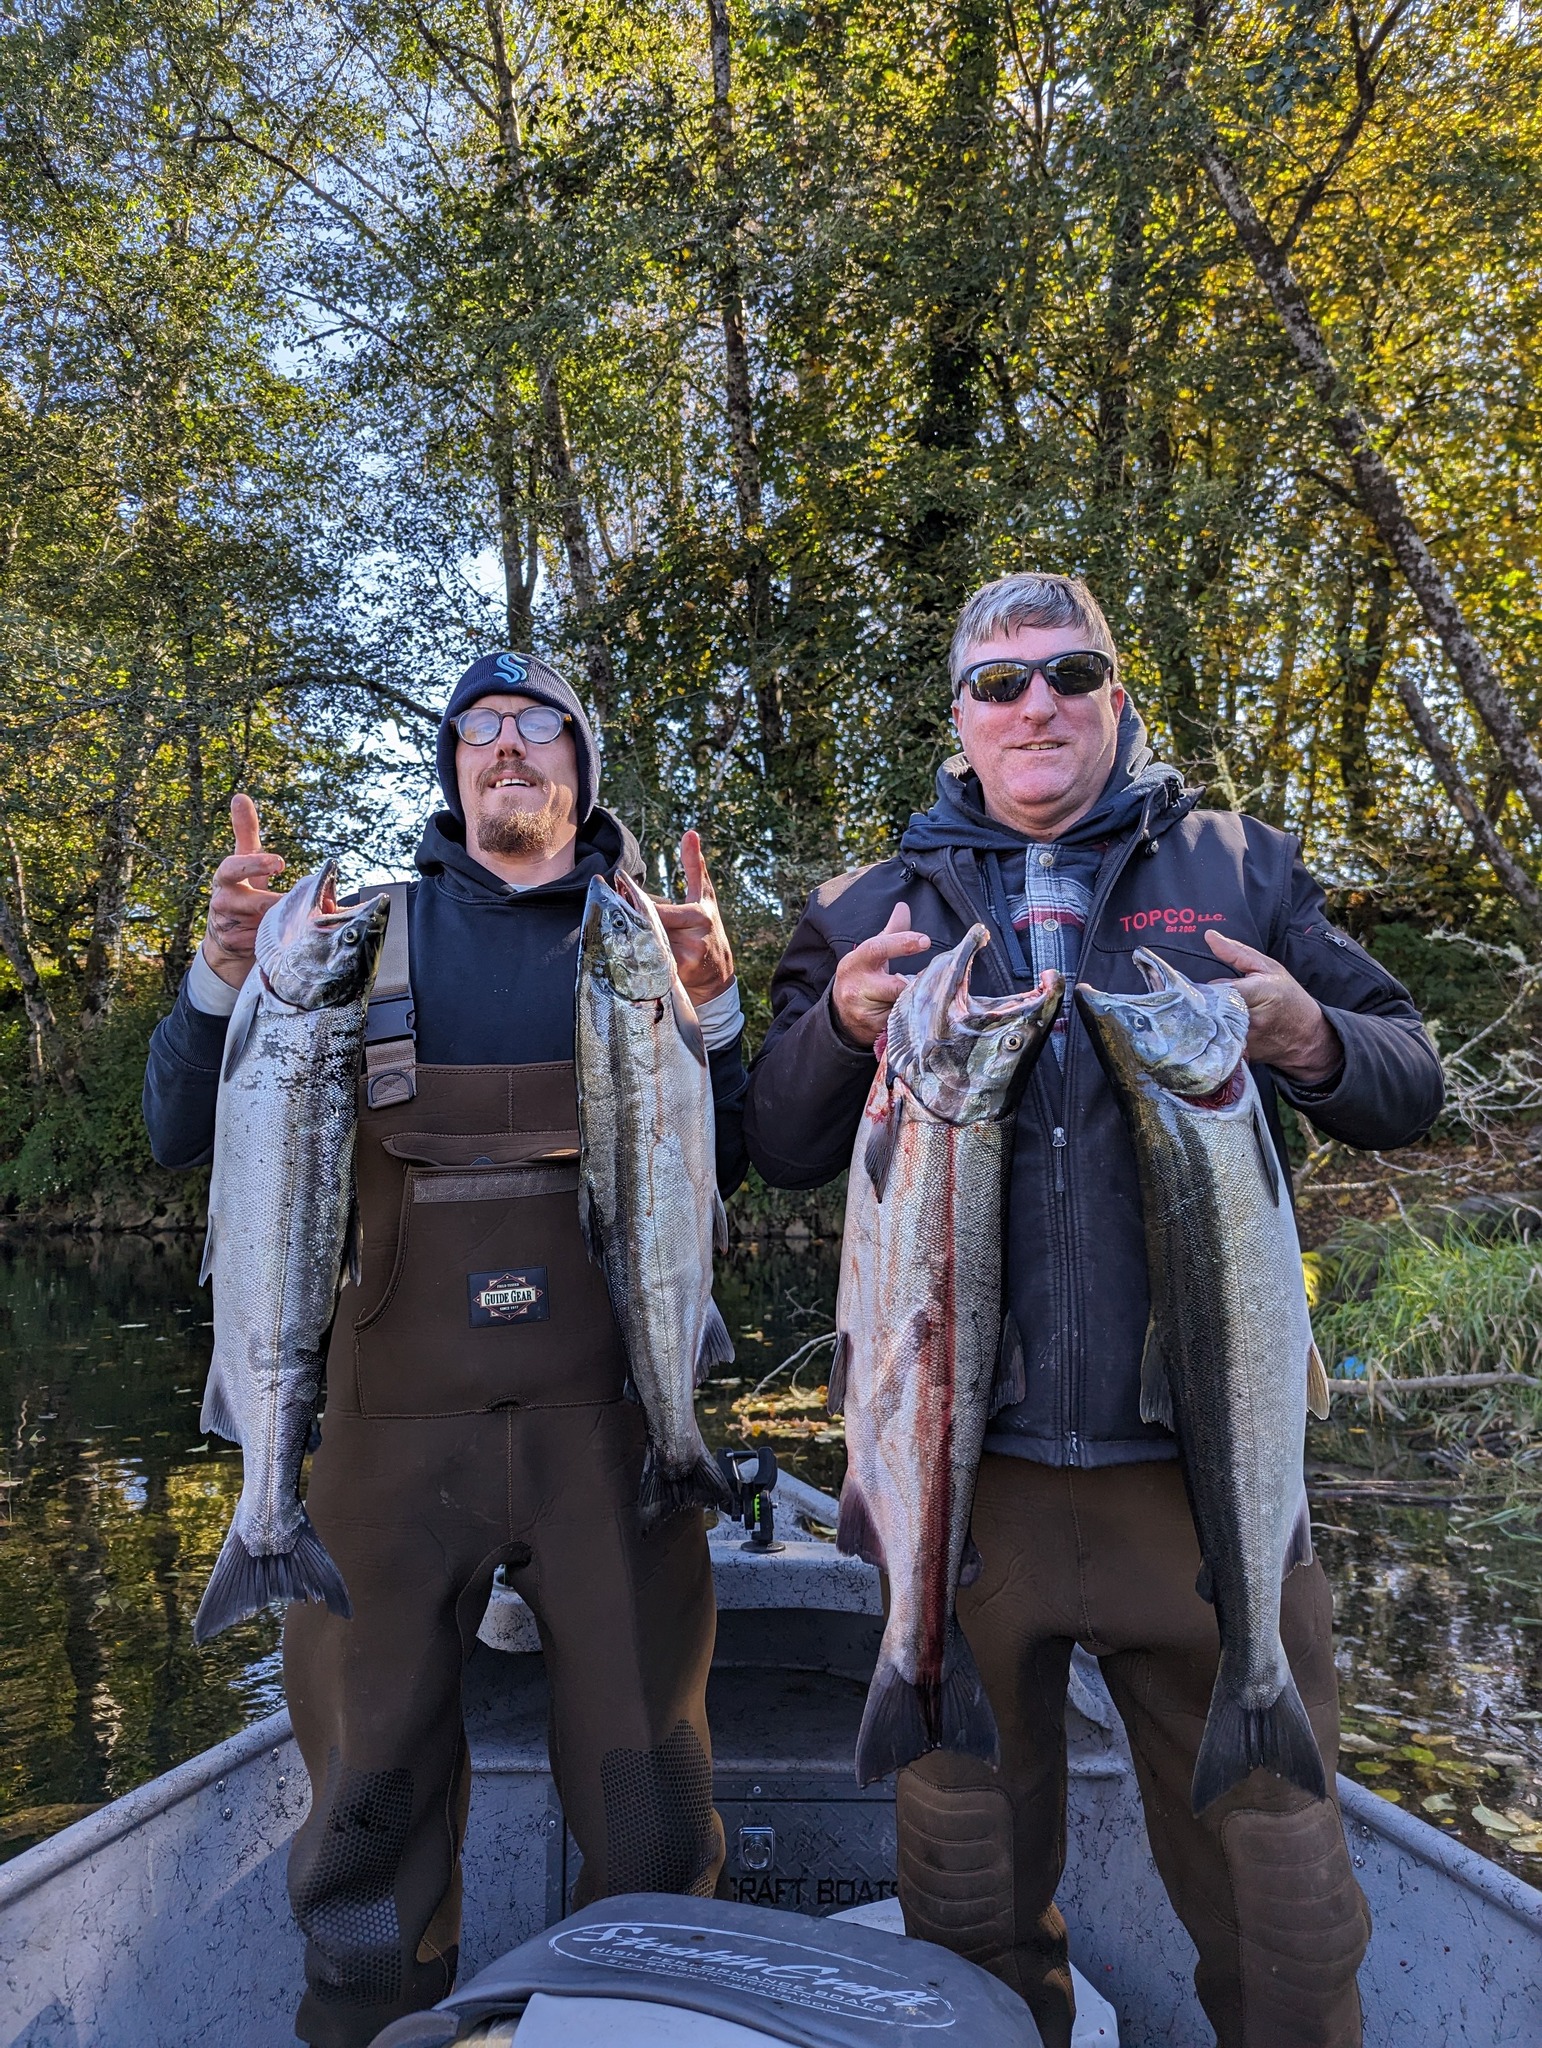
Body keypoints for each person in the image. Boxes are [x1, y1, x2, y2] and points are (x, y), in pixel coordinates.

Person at [744, 573, 1444, 2048]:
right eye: (999, 684)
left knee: (1290, 1919)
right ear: (959, 720)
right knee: (966, 1903)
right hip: (961, 1506)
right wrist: (834, 1030)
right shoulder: (868, 905)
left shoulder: (1240, 866)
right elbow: (785, 1145)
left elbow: (1407, 1079)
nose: (1036, 705)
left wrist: (1309, 1033)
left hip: (1204, 1504)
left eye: (1069, 673)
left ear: (1115, 697)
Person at [144, 650, 747, 2048]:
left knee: (655, 1810)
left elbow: (751, 1150)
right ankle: (369, 2020)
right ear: (454, 769)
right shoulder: (364, 936)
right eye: (480, 730)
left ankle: (636, 2021)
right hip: (377, 1458)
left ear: (582, 768)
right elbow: (185, 1134)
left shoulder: (643, 938)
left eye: (541, 728)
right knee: (365, 1818)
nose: (509, 748)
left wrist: (711, 1008)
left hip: (613, 1445)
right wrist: (223, 977)